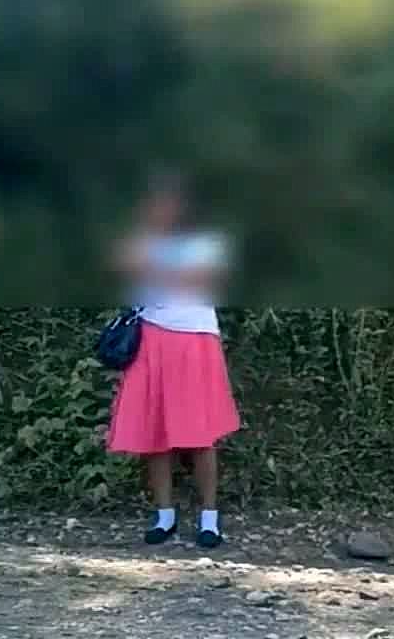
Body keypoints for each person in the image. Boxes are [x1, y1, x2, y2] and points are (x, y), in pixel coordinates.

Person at [105, 172, 241, 549]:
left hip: (195, 338)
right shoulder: (141, 238)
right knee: (153, 433)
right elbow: (121, 268)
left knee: (201, 434)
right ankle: (164, 515)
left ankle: (209, 517)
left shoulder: (207, 240)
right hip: (150, 338)